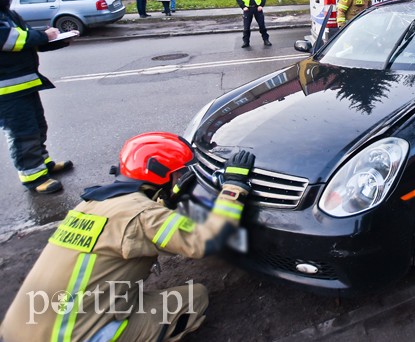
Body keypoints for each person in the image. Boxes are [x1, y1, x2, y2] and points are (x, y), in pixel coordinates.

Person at [0, 132, 255, 342]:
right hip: (71, 337)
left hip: (18, 331)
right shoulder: (142, 215)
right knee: (194, 297)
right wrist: (233, 188)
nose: (180, 180)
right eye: (178, 174)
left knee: (130, 296)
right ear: (161, 175)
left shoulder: (90, 206)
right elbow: (206, 241)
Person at [0, 0, 74, 194]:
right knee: (23, 132)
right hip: (7, 90)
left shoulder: (7, 14)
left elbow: (27, 37)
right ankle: (33, 177)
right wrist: (44, 36)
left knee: (37, 127)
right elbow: (11, 40)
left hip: (23, 83)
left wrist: (58, 39)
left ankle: (43, 165)